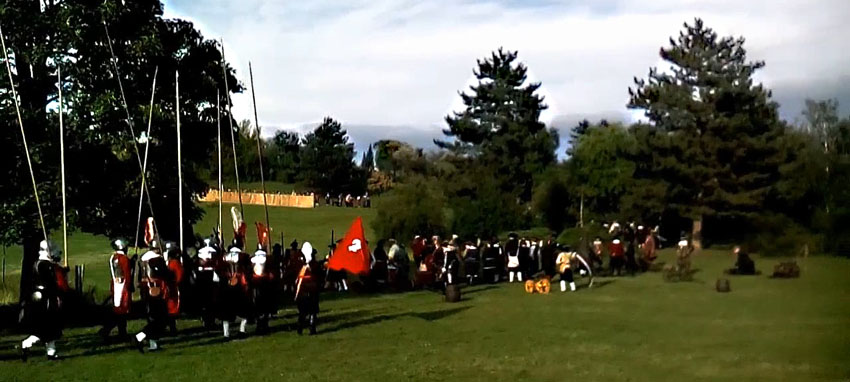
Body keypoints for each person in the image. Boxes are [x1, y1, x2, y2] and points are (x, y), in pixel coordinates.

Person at [19, 240, 66, 361]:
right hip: (46, 298)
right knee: (46, 326)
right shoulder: (44, 265)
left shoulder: (41, 264)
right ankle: (26, 344)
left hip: (43, 297)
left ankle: (51, 352)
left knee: (51, 327)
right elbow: (52, 282)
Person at [134, 241, 170, 352]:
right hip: (156, 289)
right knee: (160, 319)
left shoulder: (141, 259)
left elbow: (138, 276)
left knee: (153, 318)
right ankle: (139, 337)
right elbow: (165, 274)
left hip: (145, 289)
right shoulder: (157, 260)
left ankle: (153, 344)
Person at [99, 239, 132, 343]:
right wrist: (129, 285)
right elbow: (127, 273)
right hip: (122, 286)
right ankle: (110, 330)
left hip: (115, 284)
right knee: (121, 310)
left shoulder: (113, 257)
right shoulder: (124, 259)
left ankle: (120, 332)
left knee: (118, 309)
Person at [220, 241, 252, 339]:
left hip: (227, 287)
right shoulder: (243, 257)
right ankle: (242, 330)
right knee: (245, 310)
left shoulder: (224, 257)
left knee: (226, 312)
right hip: (239, 288)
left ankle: (226, 333)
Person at [193, 238, 221, 329]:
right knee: (211, 300)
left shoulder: (200, 253)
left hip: (202, 276)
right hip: (210, 277)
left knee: (206, 300)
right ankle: (209, 320)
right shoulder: (213, 252)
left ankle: (207, 319)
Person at [295, 242, 321, 335]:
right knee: (312, 311)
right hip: (311, 290)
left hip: (304, 291)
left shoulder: (300, 265)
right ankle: (311, 328)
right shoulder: (315, 265)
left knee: (303, 312)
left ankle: (300, 328)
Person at [251, 243, 276, 334]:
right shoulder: (268, 259)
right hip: (265, 284)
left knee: (258, 307)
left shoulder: (253, 259)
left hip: (256, 283)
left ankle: (259, 326)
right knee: (265, 306)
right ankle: (264, 326)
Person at [164, 242, 184, 335]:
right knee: (172, 307)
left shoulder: (170, 262)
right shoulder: (175, 263)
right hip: (171, 287)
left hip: (168, 286)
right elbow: (180, 275)